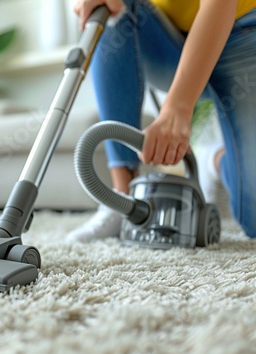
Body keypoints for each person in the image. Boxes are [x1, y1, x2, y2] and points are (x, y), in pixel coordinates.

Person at [67, 0, 256, 242]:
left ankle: (216, 160)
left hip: (244, 34)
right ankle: (122, 199)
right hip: (165, 37)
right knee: (110, 4)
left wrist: (178, 107)